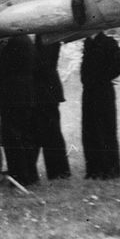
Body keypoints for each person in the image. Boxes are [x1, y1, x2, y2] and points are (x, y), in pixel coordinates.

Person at [80, 32, 120, 179]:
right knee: (90, 131)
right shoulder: (88, 42)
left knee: (105, 130)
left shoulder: (107, 42)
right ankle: (94, 170)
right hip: (89, 92)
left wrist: (104, 77)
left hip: (103, 92)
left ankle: (109, 170)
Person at [0, 34, 39, 184]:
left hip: (12, 94)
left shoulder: (14, 42)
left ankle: (19, 175)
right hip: (26, 92)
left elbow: (3, 66)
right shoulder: (26, 40)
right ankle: (30, 174)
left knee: (13, 136)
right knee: (25, 135)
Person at [32, 36, 71, 180]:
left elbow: (43, 63)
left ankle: (59, 171)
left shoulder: (48, 38)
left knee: (51, 133)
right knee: (47, 133)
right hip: (45, 91)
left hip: (46, 92)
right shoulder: (45, 37)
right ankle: (58, 171)